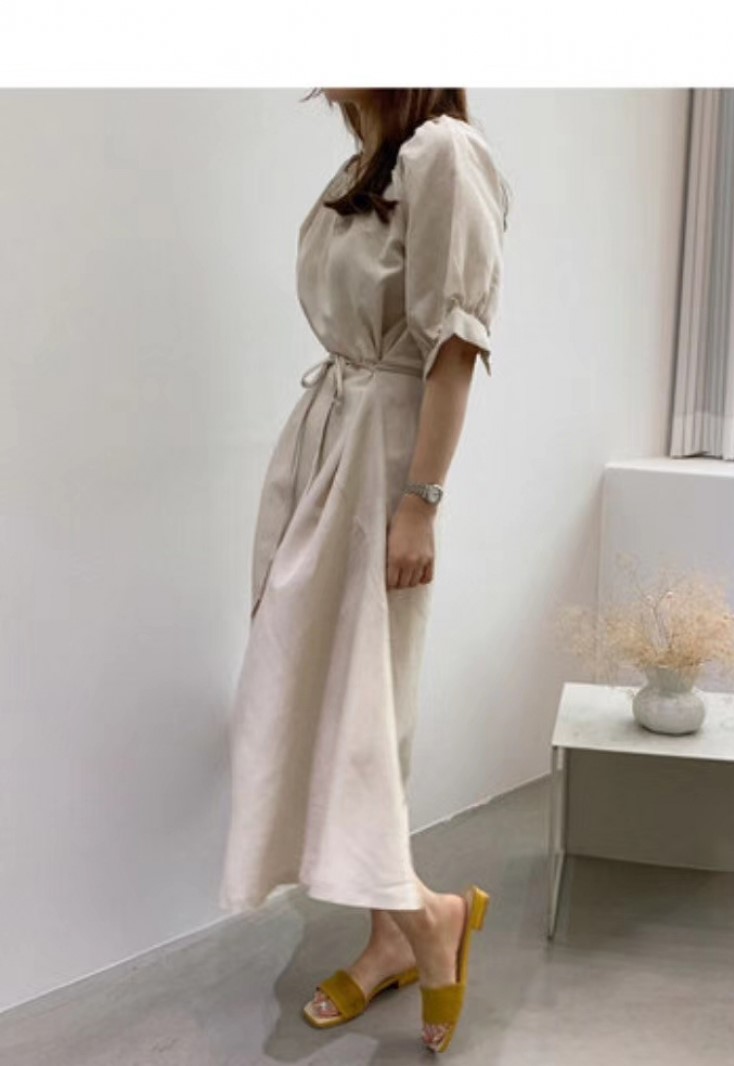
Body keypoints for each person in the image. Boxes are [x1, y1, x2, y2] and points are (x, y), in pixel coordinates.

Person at [218, 88, 509, 1053]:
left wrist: (420, 501)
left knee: (360, 718)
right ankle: (402, 927)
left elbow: (455, 347)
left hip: (383, 463)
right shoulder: (364, 170)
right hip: (327, 449)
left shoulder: (444, 154)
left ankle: (424, 922)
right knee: (311, 701)